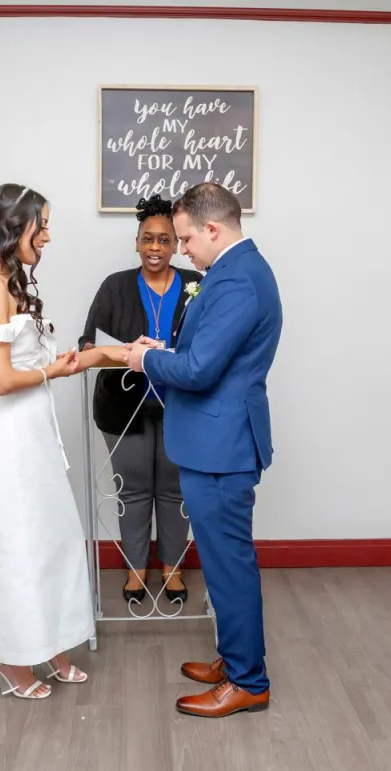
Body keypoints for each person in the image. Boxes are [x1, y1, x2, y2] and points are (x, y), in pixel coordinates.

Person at [0, 183, 126, 701]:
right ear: (13, 226)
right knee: (17, 543)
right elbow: (3, 380)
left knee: (52, 536)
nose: (47, 236)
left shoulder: (13, 282)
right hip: (6, 437)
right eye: (40, 225)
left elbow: (50, 367)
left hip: (34, 433)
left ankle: (50, 644)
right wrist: (52, 369)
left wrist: (123, 353)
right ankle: (11, 657)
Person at [125, 182, 282, 718]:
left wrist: (144, 360)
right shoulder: (233, 273)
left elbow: (199, 370)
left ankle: (248, 681)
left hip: (223, 446)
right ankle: (235, 658)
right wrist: (164, 349)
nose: (182, 249)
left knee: (229, 566)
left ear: (213, 229)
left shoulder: (239, 280)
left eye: (187, 238)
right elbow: (202, 354)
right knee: (220, 565)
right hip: (214, 440)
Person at [78, 194, 203, 605]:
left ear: (176, 245)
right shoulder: (114, 287)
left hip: (182, 408)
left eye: (164, 240)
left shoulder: (195, 286)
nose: (155, 248)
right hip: (123, 407)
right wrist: (125, 352)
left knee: (174, 491)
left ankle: (172, 568)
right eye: (147, 239)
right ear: (136, 242)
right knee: (132, 491)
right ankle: (135, 570)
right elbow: (89, 343)